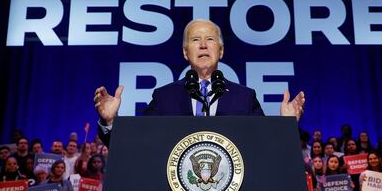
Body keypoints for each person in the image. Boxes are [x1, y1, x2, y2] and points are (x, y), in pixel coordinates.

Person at [94, 19, 305, 146]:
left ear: (221, 51)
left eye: (210, 40)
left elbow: (266, 146)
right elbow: (137, 146)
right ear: (186, 53)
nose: (203, 45)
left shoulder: (244, 96)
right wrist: (110, 123)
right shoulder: (164, 97)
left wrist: (287, 125)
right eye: (195, 40)